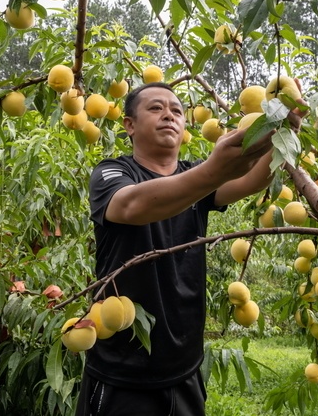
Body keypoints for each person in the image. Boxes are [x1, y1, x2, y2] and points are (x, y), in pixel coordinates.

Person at [76, 82, 282, 416]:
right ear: (129, 124)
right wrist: (212, 172)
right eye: (156, 108)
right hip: (124, 371)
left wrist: (281, 129)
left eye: (176, 111)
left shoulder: (194, 175)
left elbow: (253, 180)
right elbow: (131, 206)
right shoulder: (112, 171)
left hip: (184, 366)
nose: (169, 115)